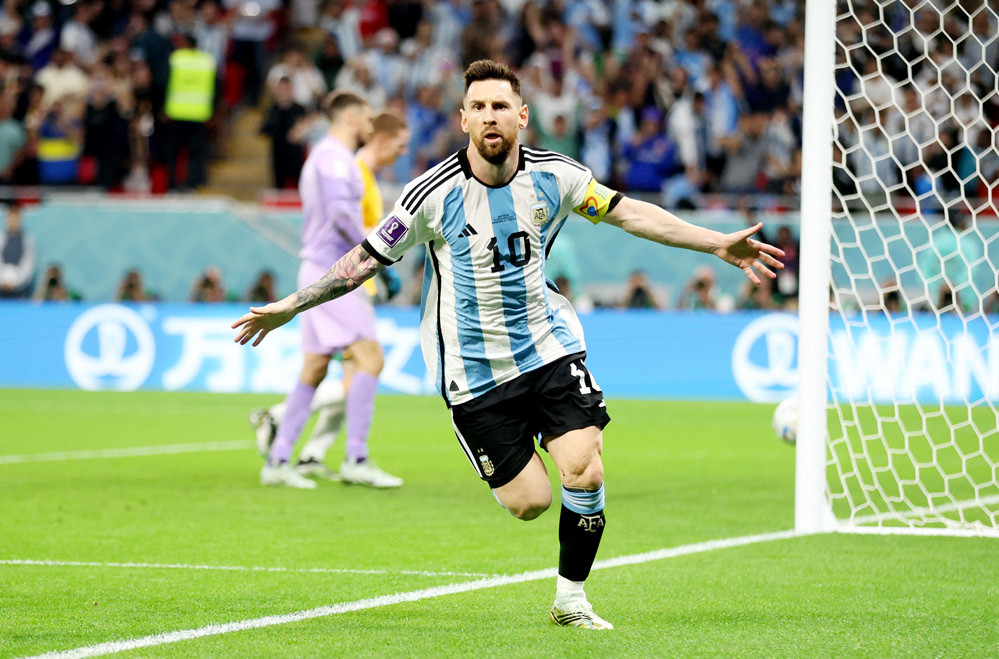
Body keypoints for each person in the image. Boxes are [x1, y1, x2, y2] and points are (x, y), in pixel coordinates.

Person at [233, 60, 783, 630]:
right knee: (530, 502)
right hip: (473, 372)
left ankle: (571, 598)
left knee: (585, 468)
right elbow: (362, 261)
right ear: (463, 119)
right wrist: (291, 305)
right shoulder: (430, 195)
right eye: (479, 107)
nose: (490, 116)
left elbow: (630, 214)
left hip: (549, 348)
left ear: (522, 116)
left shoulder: (558, 177)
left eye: (500, 106)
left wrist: (715, 242)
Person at [254, 90, 403, 491]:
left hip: (318, 269)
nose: (370, 125)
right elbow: (340, 214)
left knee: (316, 367)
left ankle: (278, 459)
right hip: (335, 273)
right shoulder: (336, 159)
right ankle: (356, 458)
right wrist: (376, 255)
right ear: (351, 118)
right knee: (370, 358)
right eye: (367, 118)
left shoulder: (323, 157)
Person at [0, 204, 35, 298]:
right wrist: (3, 280)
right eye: (10, 219)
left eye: (15, 219)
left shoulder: (27, 241)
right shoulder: (1, 239)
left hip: (20, 292)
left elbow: (28, 265)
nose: (13, 222)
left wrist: (15, 282)